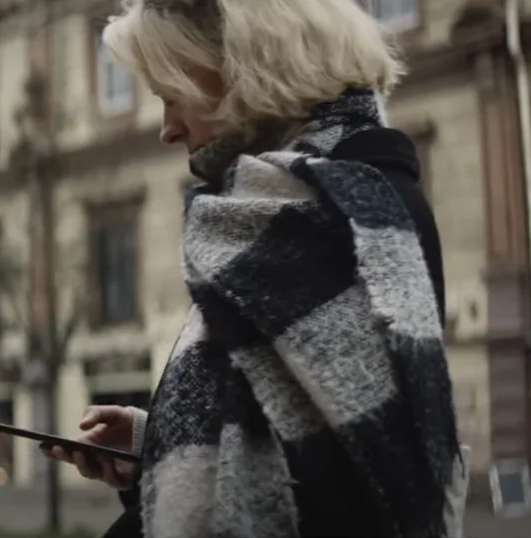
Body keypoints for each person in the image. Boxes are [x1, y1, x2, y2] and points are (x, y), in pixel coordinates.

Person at [44, 0, 471, 537]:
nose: (167, 129)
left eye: (172, 96)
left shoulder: (325, 212)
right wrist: (158, 450)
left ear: (243, 67)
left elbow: (335, 502)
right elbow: (295, 443)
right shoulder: (317, 197)